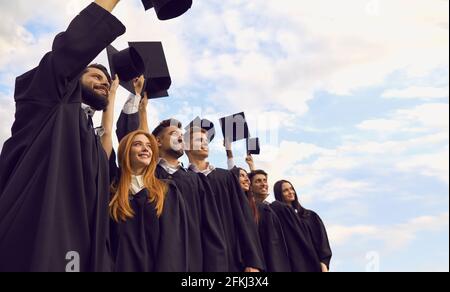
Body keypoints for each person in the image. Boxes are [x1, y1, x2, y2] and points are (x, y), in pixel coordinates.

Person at [0, 0, 125, 272]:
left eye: (106, 81)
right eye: (94, 75)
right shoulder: (49, 104)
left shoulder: (89, 137)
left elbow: (105, 153)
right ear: (73, 77)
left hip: (80, 252)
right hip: (36, 241)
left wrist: (114, 97)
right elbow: (67, 53)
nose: (103, 82)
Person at [112, 78, 228, 272]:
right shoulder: (149, 176)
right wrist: (137, 97)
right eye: (173, 133)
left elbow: (212, 231)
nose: (180, 136)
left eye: (181, 134)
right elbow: (131, 136)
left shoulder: (197, 180)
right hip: (154, 259)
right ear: (157, 141)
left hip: (193, 263)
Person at [185, 126, 265, 272]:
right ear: (185, 146)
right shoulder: (183, 181)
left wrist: (252, 260)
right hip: (197, 259)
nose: (204, 143)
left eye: (206, 141)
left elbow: (243, 218)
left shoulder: (226, 177)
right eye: (198, 140)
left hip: (231, 257)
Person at [107, 130, 188, 272]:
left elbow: (173, 245)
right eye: (138, 144)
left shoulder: (167, 191)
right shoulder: (113, 193)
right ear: (126, 151)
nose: (146, 149)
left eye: (149, 146)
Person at [274, 180, 332, 272]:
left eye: (291, 189)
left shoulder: (310, 216)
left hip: (314, 265)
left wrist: (324, 265)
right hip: (293, 266)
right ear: (279, 194)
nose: (290, 192)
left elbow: (322, 243)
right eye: (285, 190)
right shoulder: (278, 218)